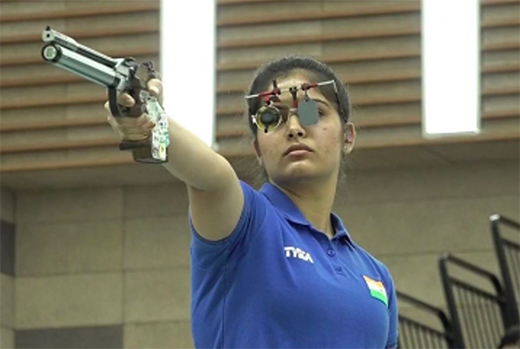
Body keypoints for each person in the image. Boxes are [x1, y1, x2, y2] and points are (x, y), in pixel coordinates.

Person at [106, 56, 398, 348]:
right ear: (258, 148)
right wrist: (148, 119)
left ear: (348, 136)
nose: (295, 127)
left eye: (313, 112)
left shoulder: (375, 275)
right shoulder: (246, 223)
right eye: (272, 118)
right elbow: (213, 177)